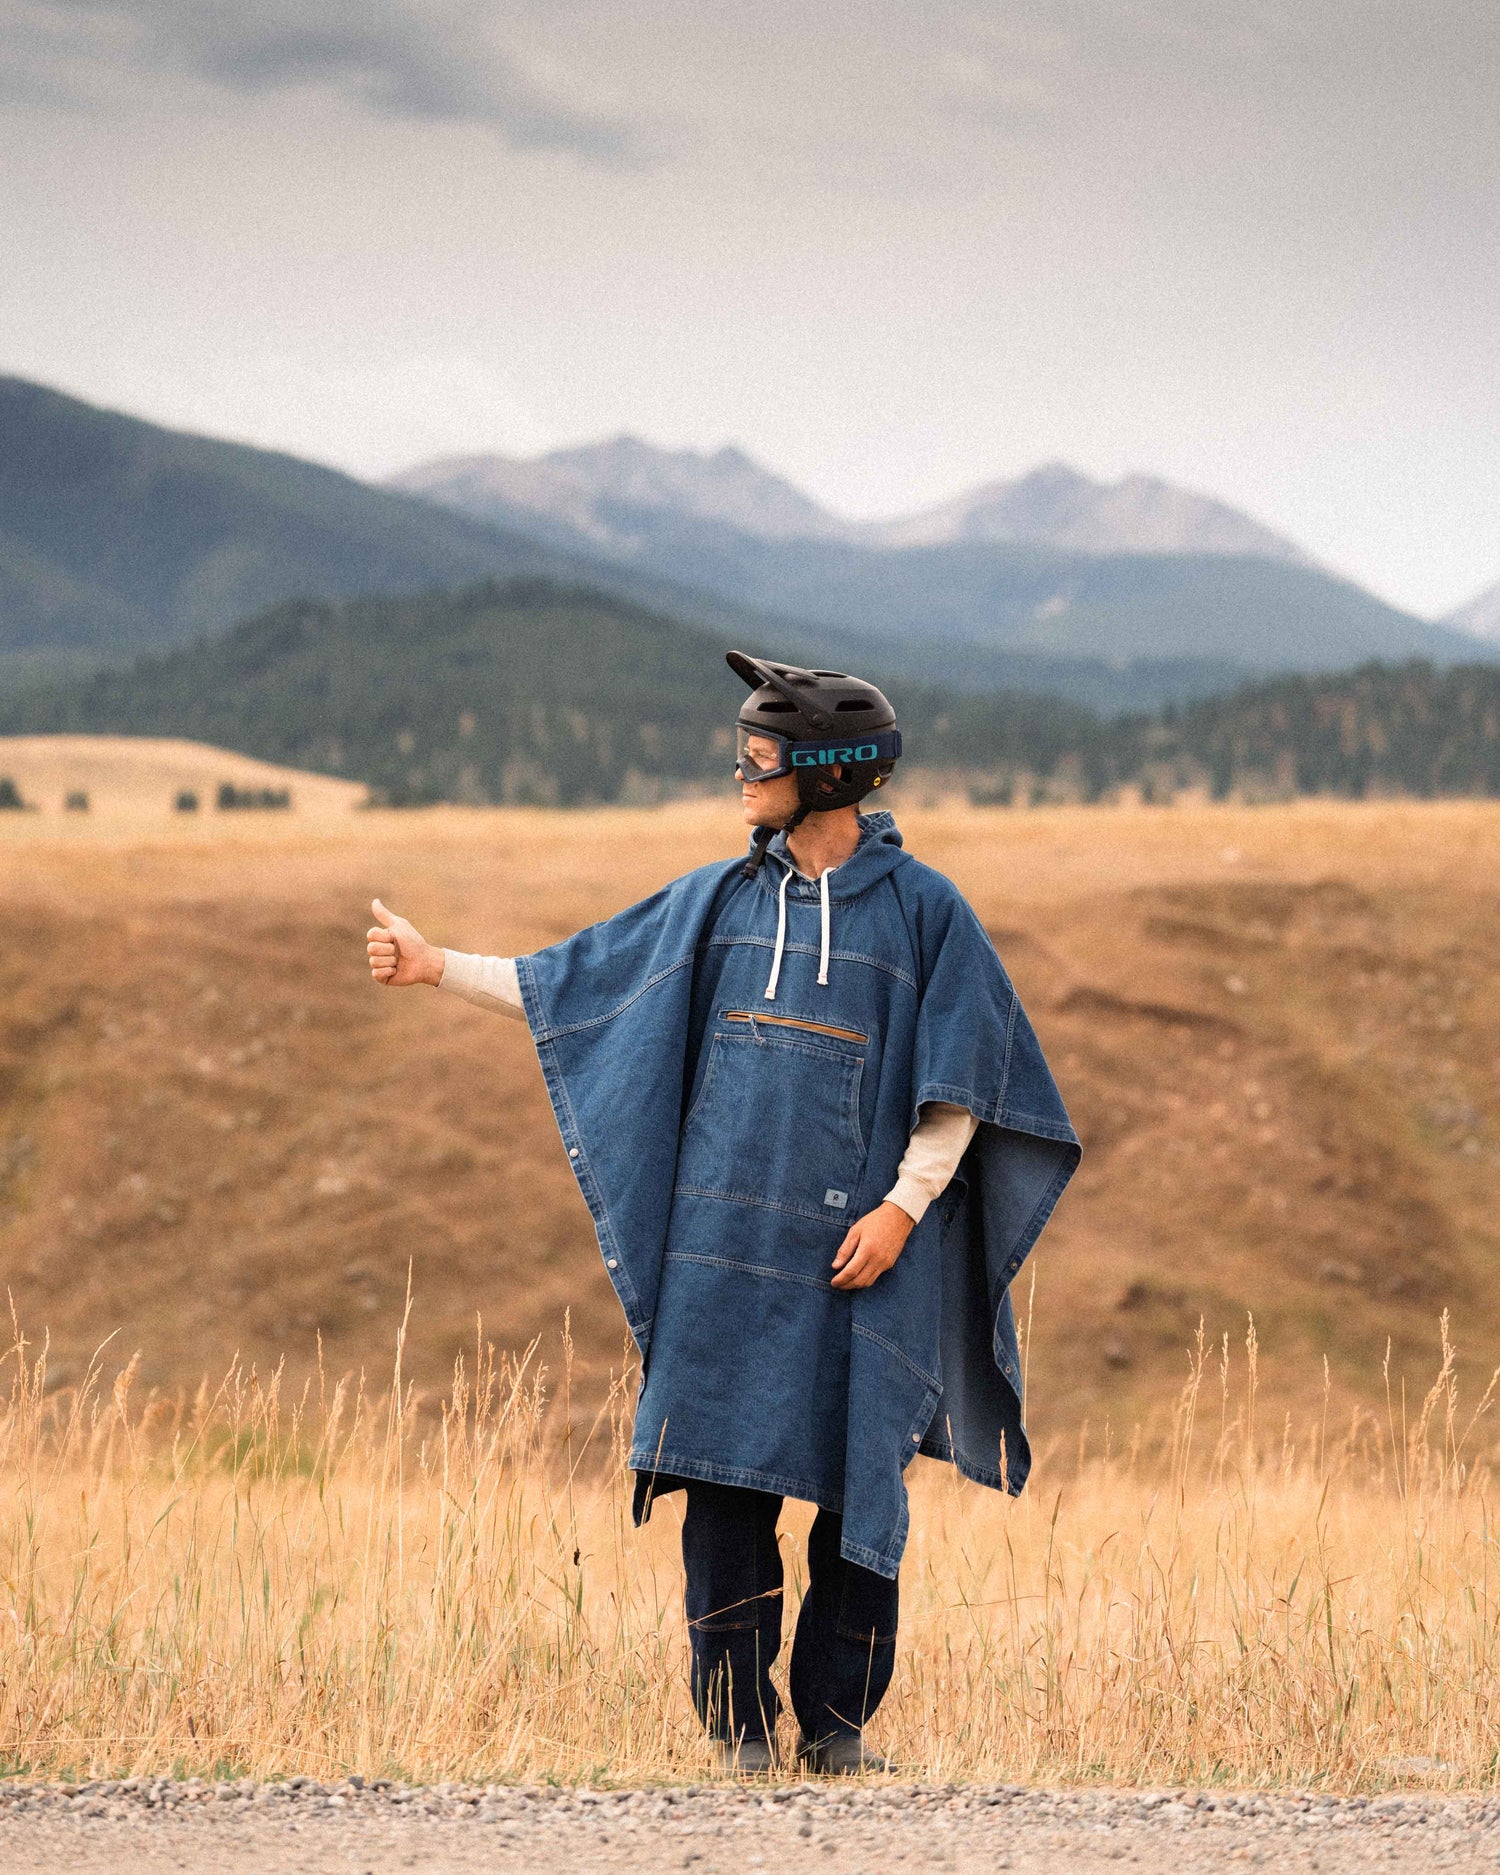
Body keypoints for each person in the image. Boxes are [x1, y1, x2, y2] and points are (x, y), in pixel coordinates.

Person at [365, 652, 1079, 1775]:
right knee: (724, 1487)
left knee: (860, 1492)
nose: (741, 776)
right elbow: (580, 985)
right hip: (723, 1254)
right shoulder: (717, 902)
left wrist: (902, 1211)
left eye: (760, 758)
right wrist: (434, 966)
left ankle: (836, 1733)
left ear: (831, 773)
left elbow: (961, 1090)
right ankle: (740, 1731)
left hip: (864, 1257)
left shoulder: (927, 914)